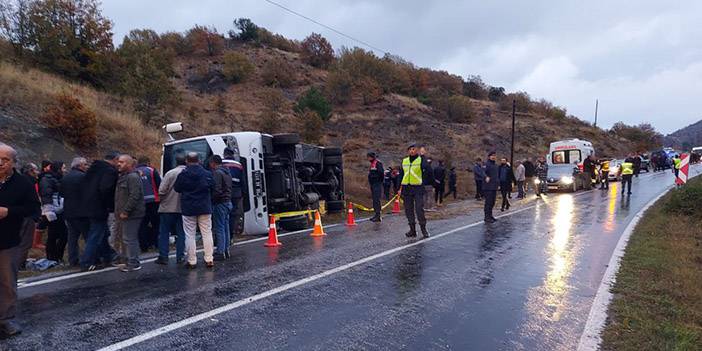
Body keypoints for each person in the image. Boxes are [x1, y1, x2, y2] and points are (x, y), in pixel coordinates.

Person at [0, 143, 41, 338]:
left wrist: (10, 211)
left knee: (7, 282)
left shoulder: (23, 183)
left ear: (14, 162)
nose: (0, 163)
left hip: (8, 241)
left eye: (5, 159)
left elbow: (34, 210)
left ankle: (6, 319)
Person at [174, 152, 215, 268]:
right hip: (205, 206)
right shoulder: (207, 173)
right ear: (199, 160)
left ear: (187, 160)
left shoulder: (183, 175)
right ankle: (209, 258)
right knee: (207, 233)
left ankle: (192, 260)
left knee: (189, 235)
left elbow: (177, 189)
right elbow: (214, 187)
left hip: (188, 207)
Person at [80, 153, 119, 271]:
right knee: (96, 234)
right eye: (118, 161)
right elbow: (106, 188)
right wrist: (110, 205)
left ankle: (109, 256)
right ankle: (86, 262)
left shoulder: (93, 169)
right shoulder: (109, 171)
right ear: (115, 160)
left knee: (102, 232)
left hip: (87, 205)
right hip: (99, 207)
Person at [114, 155, 145, 272]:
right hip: (125, 213)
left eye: (121, 162)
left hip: (132, 213)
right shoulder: (124, 176)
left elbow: (134, 195)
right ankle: (129, 260)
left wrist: (126, 211)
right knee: (127, 238)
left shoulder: (132, 177)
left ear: (129, 164)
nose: (118, 164)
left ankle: (133, 263)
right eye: (118, 161)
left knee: (130, 238)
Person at [155, 152, 186, 265]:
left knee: (164, 232)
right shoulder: (188, 173)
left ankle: (163, 256)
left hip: (167, 207)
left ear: (176, 162)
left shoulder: (170, 173)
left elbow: (161, 190)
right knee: (181, 233)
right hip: (183, 208)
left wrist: (163, 199)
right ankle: (180, 256)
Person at [60, 157, 90, 267]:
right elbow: (88, 193)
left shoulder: (65, 177)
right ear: (79, 166)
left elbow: (61, 193)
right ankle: (90, 258)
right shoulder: (83, 177)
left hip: (68, 211)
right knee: (88, 236)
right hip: (82, 212)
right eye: (85, 165)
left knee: (72, 237)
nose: (87, 167)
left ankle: (73, 260)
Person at [399, 143, 432, 238]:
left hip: (417, 188)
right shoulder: (404, 161)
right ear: (408, 151)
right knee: (408, 210)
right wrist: (398, 188)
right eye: (410, 149)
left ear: (417, 150)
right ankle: (412, 230)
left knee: (419, 209)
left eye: (414, 149)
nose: (412, 151)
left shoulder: (421, 160)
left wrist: (423, 156)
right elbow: (401, 176)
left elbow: (428, 170)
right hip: (406, 189)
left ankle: (423, 229)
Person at [39, 161, 67, 262]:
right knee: (57, 234)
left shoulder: (56, 178)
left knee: (55, 234)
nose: (65, 170)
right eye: (63, 168)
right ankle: (53, 257)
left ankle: (55, 257)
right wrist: (48, 210)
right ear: (58, 169)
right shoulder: (47, 179)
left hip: (58, 209)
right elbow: (46, 194)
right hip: (52, 210)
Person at [16, 163, 39, 270]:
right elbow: (33, 200)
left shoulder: (17, 181)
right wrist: (35, 215)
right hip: (27, 215)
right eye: (35, 170)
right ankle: (19, 265)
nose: (37, 172)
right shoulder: (28, 182)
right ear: (30, 171)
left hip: (18, 215)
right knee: (25, 242)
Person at [209, 155, 233, 261]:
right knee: (225, 227)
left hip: (220, 203)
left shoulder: (217, 173)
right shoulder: (227, 172)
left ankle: (220, 251)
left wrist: (212, 200)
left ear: (214, 163)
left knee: (219, 227)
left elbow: (217, 190)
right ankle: (226, 250)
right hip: (228, 202)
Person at [136, 156, 161, 252]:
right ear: (148, 162)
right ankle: (156, 243)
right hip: (154, 201)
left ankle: (143, 246)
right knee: (156, 224)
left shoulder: (134, 172)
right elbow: (159, 185)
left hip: (140, 203)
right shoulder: (151, 170)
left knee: (142, 224)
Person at [222, 148, 244, 240]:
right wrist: (243, 193)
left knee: (222, 215)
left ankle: (222, 237)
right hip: (236, 192)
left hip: (224, 192)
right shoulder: (239, 165)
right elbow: (243, 181)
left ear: (224, 154)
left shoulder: (221, 163)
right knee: (232, 215)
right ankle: (230, 237)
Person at [366, 152, 384, 222]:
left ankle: (378, 215)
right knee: (374, 200)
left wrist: (379, 181)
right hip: (373, 184)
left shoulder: (378, 163)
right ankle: (376, 214)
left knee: (377, 200)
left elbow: (381, 173)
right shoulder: (372, 164)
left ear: (372, 157)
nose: (368, 159)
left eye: (369, 157)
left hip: (377, 184)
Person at [483, 152, 499, 223]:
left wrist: (498, 184)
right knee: (488, 202)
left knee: (492, 202)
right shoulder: (486, 164)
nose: (493, 157)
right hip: (488, 187)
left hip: (494, 187)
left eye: (494, 156)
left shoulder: (496, 165)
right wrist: (486, 176)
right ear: (489, 157)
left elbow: (497, 176)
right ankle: (487, 217)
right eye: (492, 156)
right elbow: (482, 172)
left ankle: (490, 216)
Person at [419, 146, 435, 211]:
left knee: (424, 196)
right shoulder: (429, 168)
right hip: (429, 184)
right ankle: (430, 207)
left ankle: (424, 207)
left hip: (422, 183)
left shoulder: (421, 166)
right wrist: (433, 184)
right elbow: (432, 176)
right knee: (430, 196)